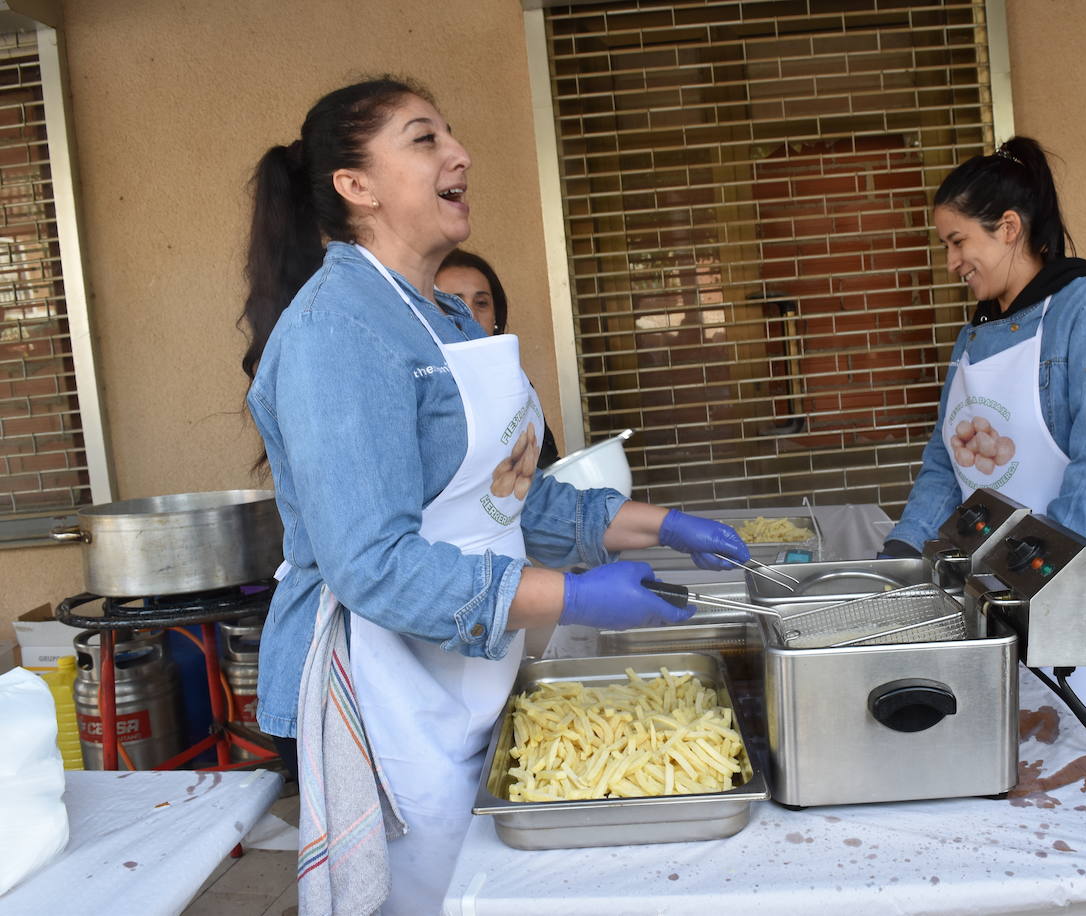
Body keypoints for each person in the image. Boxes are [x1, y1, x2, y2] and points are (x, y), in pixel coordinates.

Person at [238, 77, 749, 914]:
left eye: (451, 134)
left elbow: (514, 501)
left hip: (473, 667)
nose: (459, 153)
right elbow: (371, 565)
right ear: (355, 187)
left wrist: (661, 525)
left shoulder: (444, 316)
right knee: (434, 896)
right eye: (423, 138)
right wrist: (576, 597)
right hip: (392, 686)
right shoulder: (338, 329)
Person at [883, 136, 1086, 738]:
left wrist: (1025, 586)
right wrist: (900, 558)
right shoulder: (976, 335)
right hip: (998, 584)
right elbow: (943, 463)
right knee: (1000, 750)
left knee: (1067, 755)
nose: (951, 261)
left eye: (958, 242)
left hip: (1079, 583)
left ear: (1008, 228)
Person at [435, 248, 560, 467]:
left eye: (481, 303)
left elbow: (544, 467)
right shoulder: (422, 382)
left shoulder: (514, 381)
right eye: (451, 303)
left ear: (495, 316)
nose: (470, 315)